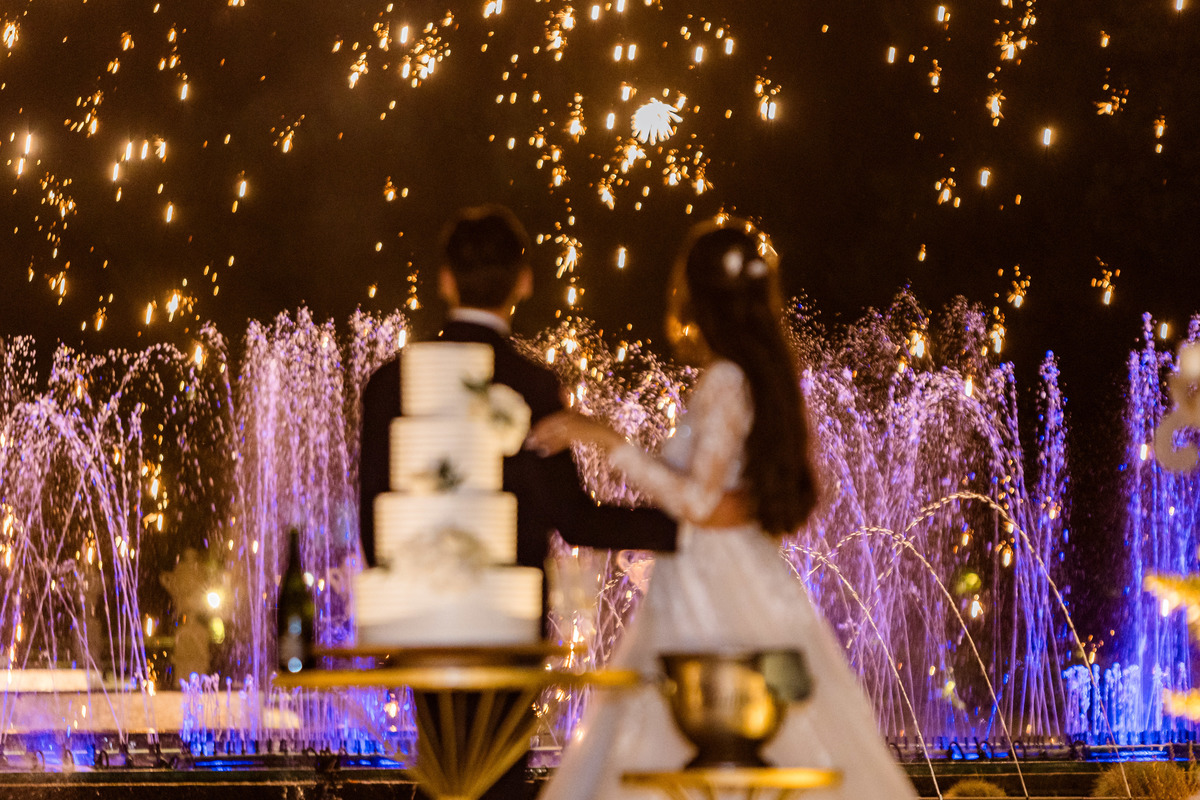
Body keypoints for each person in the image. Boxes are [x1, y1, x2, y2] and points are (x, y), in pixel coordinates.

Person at [527, 221, 918, 800]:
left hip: (709, 589)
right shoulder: (755, 377)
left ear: (694, 296)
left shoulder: (727, 379)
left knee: (695, 745)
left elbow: (699, 502)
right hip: (739, 575)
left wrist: (605, 439)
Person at [358, 205, 681, 799]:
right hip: (509, 628)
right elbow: (576, 521)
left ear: (445, 281)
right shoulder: (528, 384)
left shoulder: (387, 384)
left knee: (445, 772)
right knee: (497, 778)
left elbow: (374, 525)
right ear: (526, 281)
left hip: (423, 625)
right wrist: (684, 527)